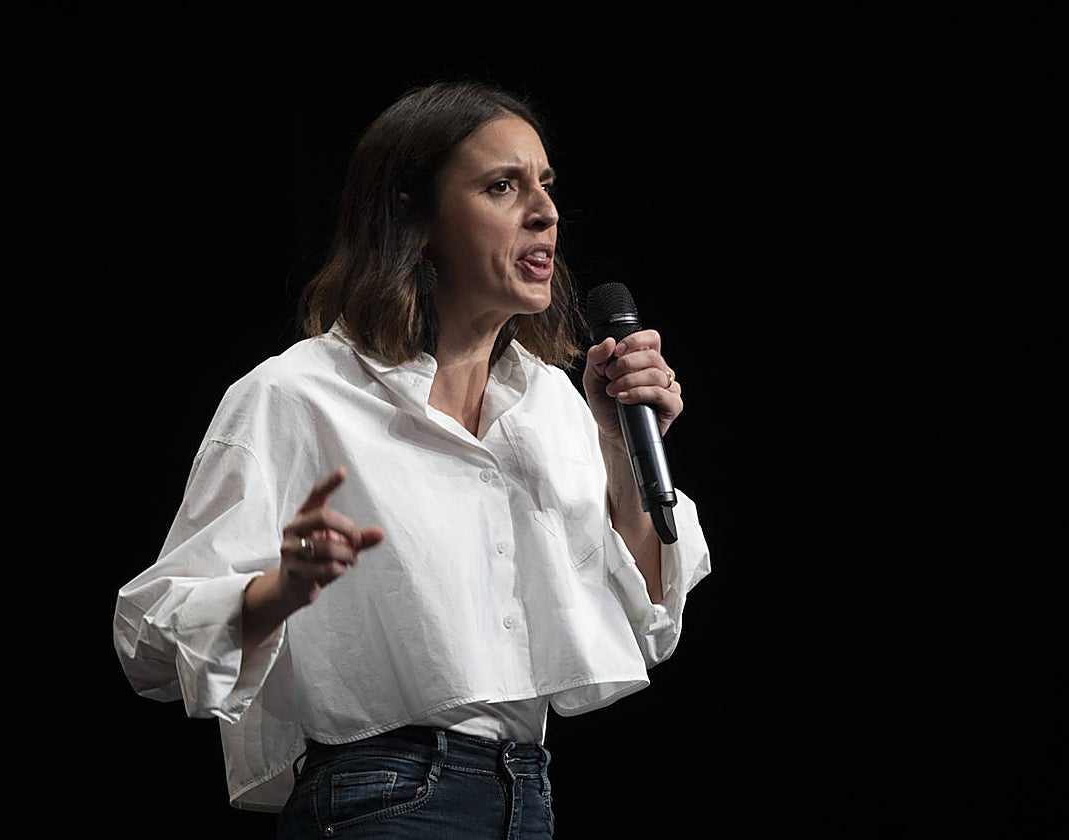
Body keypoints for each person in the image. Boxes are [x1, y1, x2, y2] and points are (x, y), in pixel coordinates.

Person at [113, 78, 711, 838]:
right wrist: (280, 589)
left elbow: (650, 627)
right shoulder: (298, 394)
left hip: (527, 796)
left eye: (546, 185)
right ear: (413, 213)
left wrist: (619, 444)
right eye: (503, 186)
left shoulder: (555, 407)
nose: (545, 211)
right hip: (382, 795)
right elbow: (148, 647)